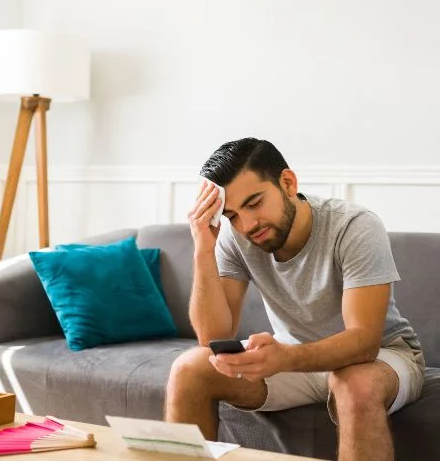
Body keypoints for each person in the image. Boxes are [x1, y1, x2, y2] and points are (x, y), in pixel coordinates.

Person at [164, 138, 425, 461]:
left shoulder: (354, 226)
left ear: (288, 182)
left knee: (355, 383)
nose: (248, 225)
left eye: (254, 202)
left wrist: (284, 358)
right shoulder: (235, 237)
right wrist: (203, 248)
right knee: (190, 368)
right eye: (232, 215)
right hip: (294, 359)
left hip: (380, 358)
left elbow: (364, 342)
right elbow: (212, 338)